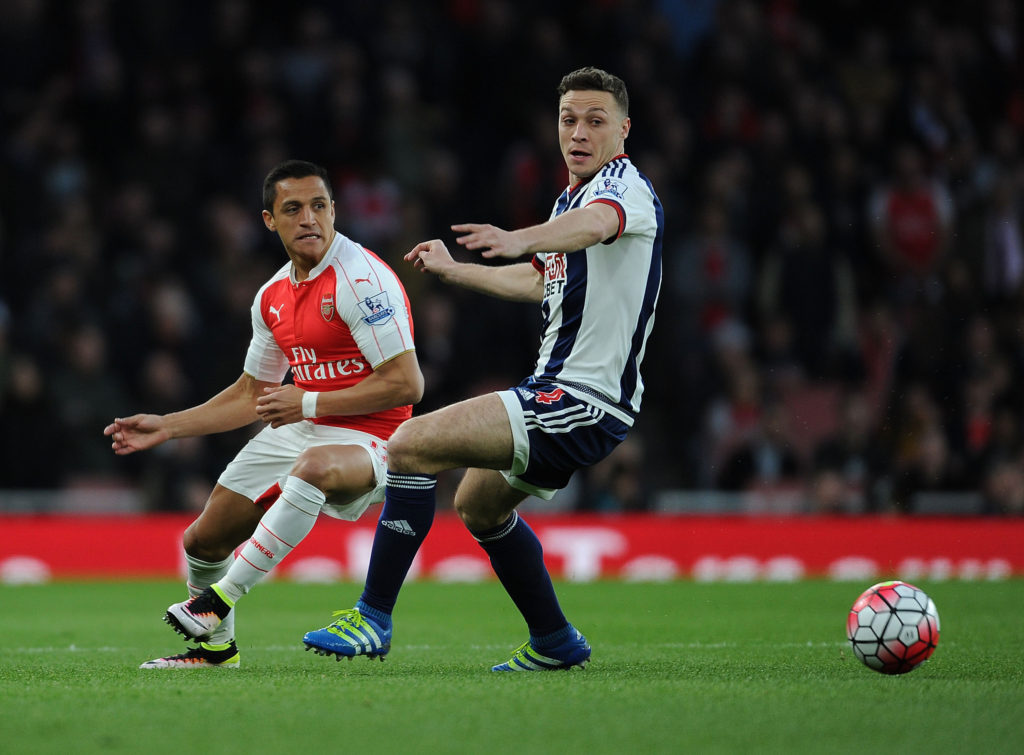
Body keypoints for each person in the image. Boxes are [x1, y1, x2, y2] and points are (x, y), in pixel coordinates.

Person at [301, 66, 663, 671]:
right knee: (478, 504)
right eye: (569, 119)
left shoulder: (623, 189)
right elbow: (540, 281)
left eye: (595, 121)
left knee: (409, 444)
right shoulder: (569, 201)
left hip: (584, 398)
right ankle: (555, 640)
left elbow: (597, 225)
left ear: (623, 130)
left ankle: (372, 617)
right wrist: (456, 270)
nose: (579, 132)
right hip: (559, 391)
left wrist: (521, 236)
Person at [104, 159, 422, 668]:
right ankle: (215, 650)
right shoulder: (272, 295)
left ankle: (219, 600)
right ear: (270, 221)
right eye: (293, 209)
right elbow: (251, 393)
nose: (309, 219)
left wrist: (308, 402)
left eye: (319, 206)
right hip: (306, 425)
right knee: (203, 540)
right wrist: (168, 426)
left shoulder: (362, 280)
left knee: (313, 467)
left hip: (379, 437)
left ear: (335, 211)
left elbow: (407, 384)